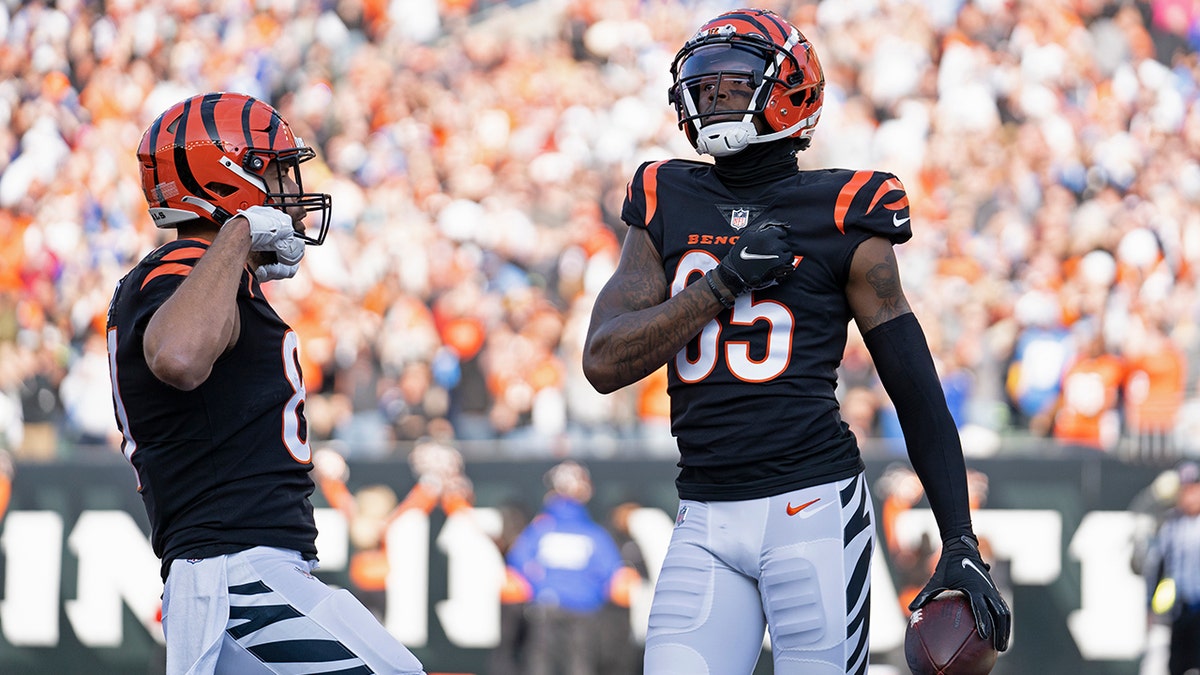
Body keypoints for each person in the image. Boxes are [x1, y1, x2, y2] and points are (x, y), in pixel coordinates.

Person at [581, 10, 1011, 674]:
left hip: (809, 509)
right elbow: (603, 360)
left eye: (731, 86)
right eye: (706, 86)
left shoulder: (844, 209)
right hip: (702, 513)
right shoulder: (664, 194)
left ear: (791, 92)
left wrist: (960, 537)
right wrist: (722, 283)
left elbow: (916, 390)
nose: (713, 100)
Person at [106, 92, 425, 675]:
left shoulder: (212, 281)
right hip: (235, 573)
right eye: (276, 172)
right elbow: (178, 355)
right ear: (228, 178)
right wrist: (238, 235)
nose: (292, 194)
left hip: (253, 570)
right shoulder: (176, 267)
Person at [504, 460, 639, 675]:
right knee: (580, 667)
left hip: (545, 611)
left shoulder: (539, 531)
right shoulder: (593, 534)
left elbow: (517, 565)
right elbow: (612, 577)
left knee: (540, 667)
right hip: (583, 615)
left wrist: (542, 586)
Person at [1143, 461, 1200, 675]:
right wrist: (1150, 606)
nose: (1190, 496)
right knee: (1176, 666)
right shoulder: (1170, 525)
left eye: (1195, 489)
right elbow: (1157, 568)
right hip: (1179, 611)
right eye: (1185, 490)